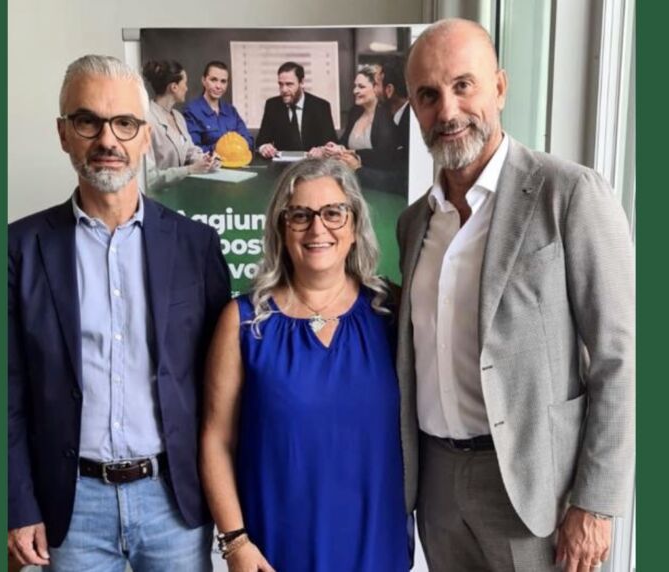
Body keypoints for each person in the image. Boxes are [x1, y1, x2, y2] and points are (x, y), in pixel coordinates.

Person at [397, 19, 635, 572]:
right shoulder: (414, 224)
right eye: (428, 96)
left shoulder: (568, 193)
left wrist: (595, 503)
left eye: (463, 85)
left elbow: (619, 357)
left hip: (534, 490)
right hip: (436, 487)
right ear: (413, 109)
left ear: (500, 87)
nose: (448, 111)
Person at [8, 54, 231, 571]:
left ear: (146, 136)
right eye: (88, 121)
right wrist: (18, 504)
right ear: (64, 134)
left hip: (174, 502)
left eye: (125, 123)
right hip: (71, 507)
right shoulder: (19, 248)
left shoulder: (196, 246)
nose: (108, 140)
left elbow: (223, 389)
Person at [200, 158, 411, 572]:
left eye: (333, 213)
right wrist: (236, 542)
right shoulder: (243, 321)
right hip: (276, 549)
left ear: (354, 224)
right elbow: (215, 440)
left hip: (375, 545)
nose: (318, 229)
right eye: (300, 215)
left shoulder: (392, 310)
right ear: (281, 228)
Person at [142, 59, 218, 191]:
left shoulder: (178, 117)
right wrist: (189, 170)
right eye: (185, 83)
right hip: (159, 197)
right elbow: (149, 179)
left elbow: (189, 150)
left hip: (181, 193)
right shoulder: (147, 120)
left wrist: (205, 160)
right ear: (174, 87)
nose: (187, 88)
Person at [312, 65, 397, 171]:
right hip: (348, 173)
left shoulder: (385, 115)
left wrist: (348, 152)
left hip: (372, 176)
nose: (355, 91)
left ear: (375, 88)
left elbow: (383, 155)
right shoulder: (355, 112)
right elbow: (344, 142)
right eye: (355, 86)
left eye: (361, 87)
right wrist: (329, 148)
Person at [255, 61, 338, 158]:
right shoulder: (272, 105)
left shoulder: (320, 106)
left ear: (301, 82)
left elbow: (332, 144)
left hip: (313, 163)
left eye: (289, 84)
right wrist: (264, 148)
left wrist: (322, 150)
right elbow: (261, 142)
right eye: (281, 84)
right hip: (282, 164)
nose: (284, 90)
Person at [183, 60, 254, 154]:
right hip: (210, 163)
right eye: (213, 80)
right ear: (204, 81)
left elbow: (248, 140)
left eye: (223, 81)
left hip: (236, 161)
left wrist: (235, 147)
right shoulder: (192, 111)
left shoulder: (231, 111)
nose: (218, 86)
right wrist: (223, 148)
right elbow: (194, 149)